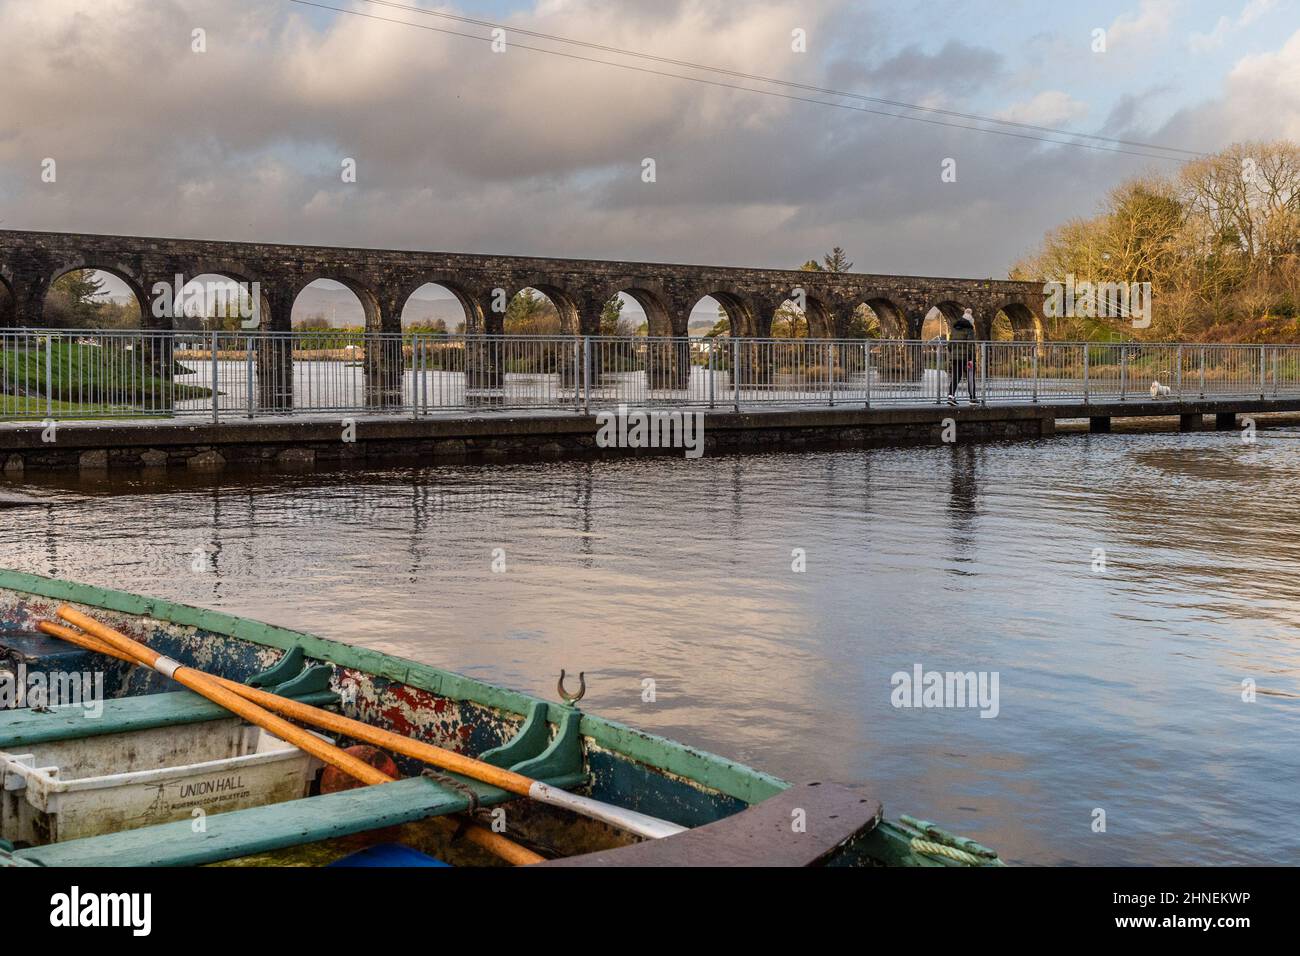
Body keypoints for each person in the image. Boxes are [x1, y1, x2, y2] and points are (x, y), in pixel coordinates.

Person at [947, 308, 977, 406]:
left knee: (955, 376)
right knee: (970, 377)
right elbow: (970, 345)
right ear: (970, 321)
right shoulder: (969, 330)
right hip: (966, 357)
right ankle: (972, 398)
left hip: (955, 357)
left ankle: (951, 396)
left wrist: (952, 354)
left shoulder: (955, 330)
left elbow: (950, 344)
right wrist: (971, 357)